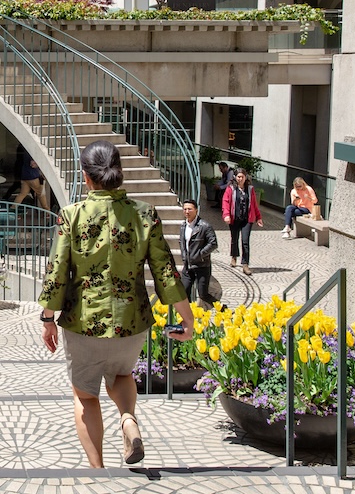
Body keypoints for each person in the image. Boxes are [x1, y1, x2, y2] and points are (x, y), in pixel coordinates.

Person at [39, 140, 194, 468]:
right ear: (119, 173)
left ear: (86, 177)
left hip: (84, 325)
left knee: (86, 395)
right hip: (131, 323)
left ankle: (98, 469)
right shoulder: (145, 214)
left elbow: (57, 272)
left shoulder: (71, 216)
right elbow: (166, 271)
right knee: (122, 375)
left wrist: (48, 318)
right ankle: (127, 420)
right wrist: (188, 320)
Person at [221, 168, 262, 275]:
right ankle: (234, 256)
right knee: (234, 239)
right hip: (234, 218)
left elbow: (254, 204)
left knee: (245, 241)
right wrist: (226, 215)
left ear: (245, 177)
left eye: (242, 177)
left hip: (247, 219)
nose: (240, 179)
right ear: (235, 177)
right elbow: (225, 202)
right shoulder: (230, 188)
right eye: (238, 177)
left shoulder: (250, 189)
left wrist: (258, 217)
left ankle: (245, 264)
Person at [179, 199, 218, 307]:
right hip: (188, 265)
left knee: (203, 294)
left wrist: (200, 254)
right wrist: (184, 256)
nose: (187, 212)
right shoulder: (183, 226)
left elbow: (213, 243)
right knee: (184, 292)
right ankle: (189, 315)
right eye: (185, 209)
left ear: (196, 210)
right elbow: (182, 242)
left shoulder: (204, 226)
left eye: (190, 209)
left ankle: (223, 310)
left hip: (202, 265)